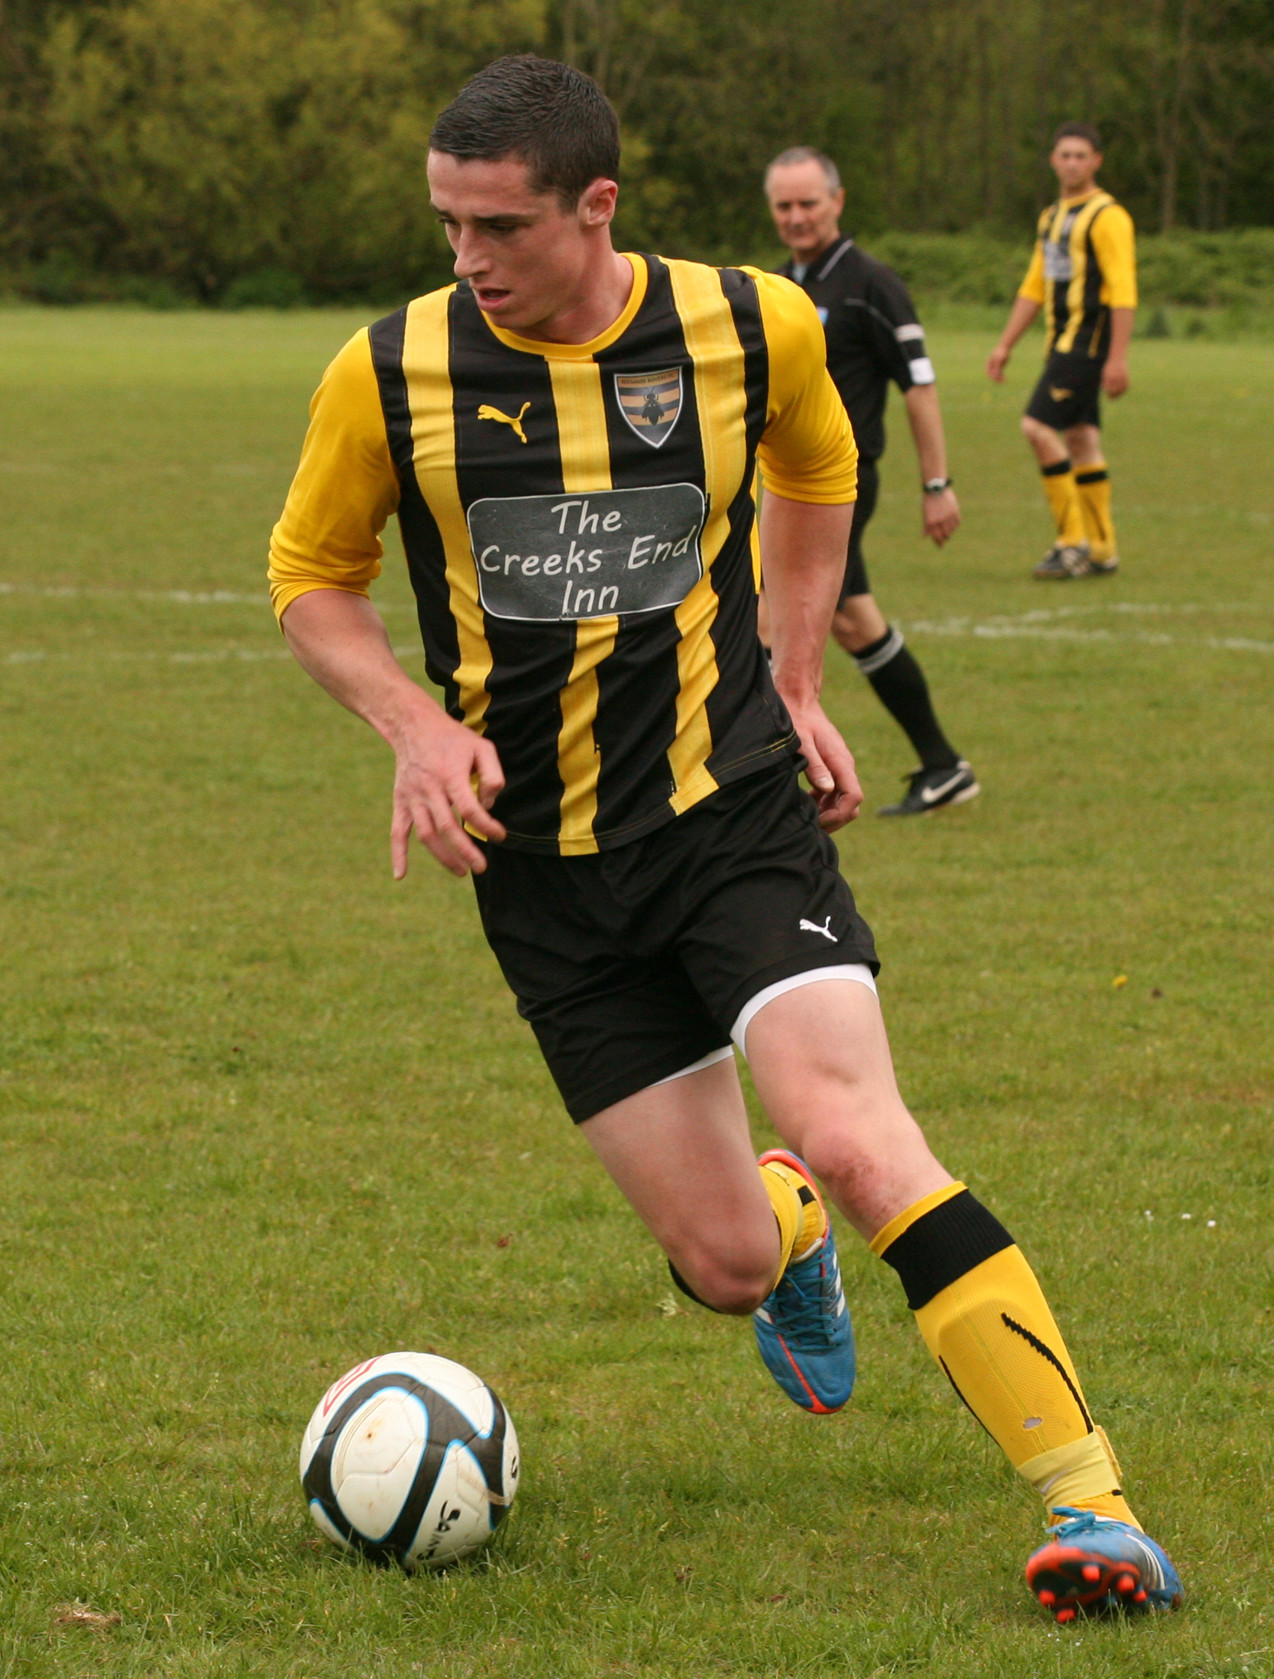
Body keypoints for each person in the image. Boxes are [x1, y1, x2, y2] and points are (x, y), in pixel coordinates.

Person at [268, 55, 1181, 1621]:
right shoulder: (388, 369)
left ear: (596, 206)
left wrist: (801, 669)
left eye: (499, 225)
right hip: (544, 875)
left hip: (731, 809)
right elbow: (311, 574)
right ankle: (786, 1226)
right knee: (727, 1263)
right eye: (447, 224)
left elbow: (820, 478)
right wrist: (414, 728)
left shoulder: (753, 324)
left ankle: (1091, 1504)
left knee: (858, 1126)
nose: (467, 257)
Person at [764, 147, 978, 818]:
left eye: (808, 203)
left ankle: (762, 788)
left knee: (777, 623)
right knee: (848, 622)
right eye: (783, 206)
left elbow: (918, 385)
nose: (797, 217)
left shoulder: (870, 284)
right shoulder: (778, 288)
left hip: (838, 486)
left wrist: (937, 481)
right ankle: (942, 765)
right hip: (778, 488)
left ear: (838, 201)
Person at [988, 123, 1137, 579]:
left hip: (1087, 345)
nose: (1072, 162)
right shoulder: (1052, 216)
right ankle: (1103, 549)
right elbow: (1035, 286)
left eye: (1080, 155)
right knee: (1082, 441)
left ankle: (1071, 542)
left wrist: (1117, 357)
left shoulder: (1108, 216)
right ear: (1053, 161)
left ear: (1096, 162)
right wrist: (1006, 343)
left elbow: (1123, 289)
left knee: (1036, 427)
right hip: (1061, 346)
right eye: (1064, 155)